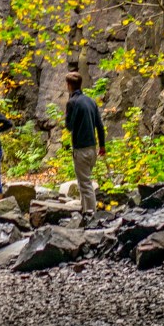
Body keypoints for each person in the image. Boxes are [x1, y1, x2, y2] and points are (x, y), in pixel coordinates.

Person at [64, 69, 106, 222]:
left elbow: (69, 126)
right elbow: (99, 126)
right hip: (93, 148)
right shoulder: (90, 101)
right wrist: (102, 146)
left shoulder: (72, 102)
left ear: (69, 85)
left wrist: (68, 115)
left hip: (80, 149)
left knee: (86, 185)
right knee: (84, 183)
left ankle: (91, 216)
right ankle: (85, 213)